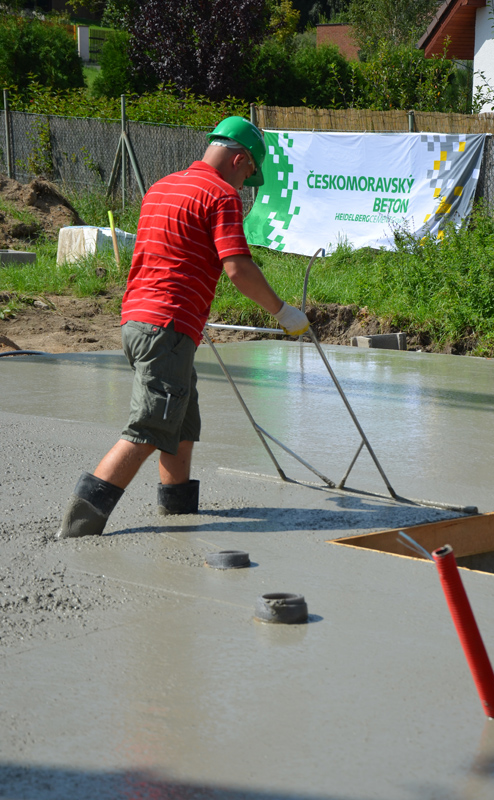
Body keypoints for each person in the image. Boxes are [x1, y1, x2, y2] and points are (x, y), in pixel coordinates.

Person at [57, 116, 309, 539]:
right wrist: (283, 311)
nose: (246, 182)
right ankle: (80, 525)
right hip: (166, 326)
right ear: (239, 158)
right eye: (249, 172)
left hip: (140, 320)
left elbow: (171, 255)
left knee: (181, 421)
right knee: (151, 426)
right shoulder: (220, 194)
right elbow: (237, 268)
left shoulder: (162, 187)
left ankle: (177, 510)